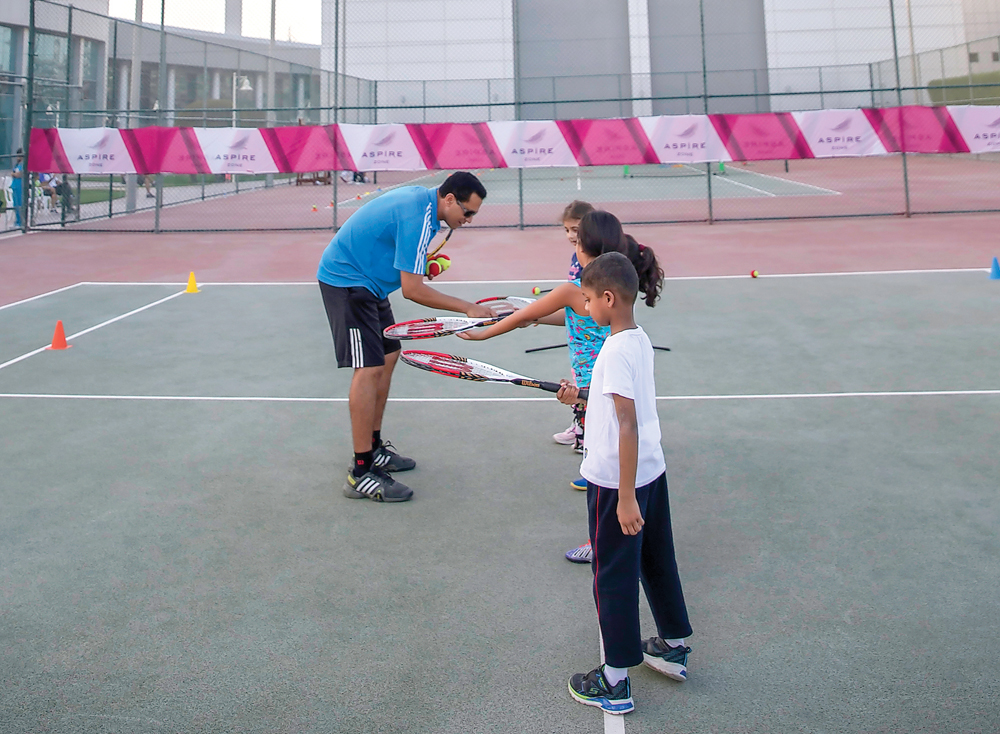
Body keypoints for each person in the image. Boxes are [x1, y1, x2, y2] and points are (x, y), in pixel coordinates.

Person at [460, 211, 665, 565]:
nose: (571, 240)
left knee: (602, 465)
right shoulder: (609, 289)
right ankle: (614, 526)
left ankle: (601, 539)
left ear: (583, 245)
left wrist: (481, 333)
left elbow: (526, 314)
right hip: (599, 384)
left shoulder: (575, 289)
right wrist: (536, 316)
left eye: (575, 236)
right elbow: (566, 313)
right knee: (607, 452)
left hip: (595, 383)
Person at [558, 251, 692, 716]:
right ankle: (672, 646)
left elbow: (626, 424)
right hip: (651, 470)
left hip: (619, 481)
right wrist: (581, 396)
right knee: (657, 559)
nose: (585, 307)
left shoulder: (612, 350)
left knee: (612, 574)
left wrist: (626, 498)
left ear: (608, 298)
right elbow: (619, 402)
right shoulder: (635, 338)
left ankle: (614, 680)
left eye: (589, 299)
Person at [318, 171, 492, 503]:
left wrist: (421, 262)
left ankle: (374, 445)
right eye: (467, 212)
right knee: (368, 369)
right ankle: (360, 472)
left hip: (370, 283)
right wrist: (468, 308)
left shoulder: (425, 207)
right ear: (450, 199)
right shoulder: (417, 215)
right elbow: (412, 290)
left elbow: (400, 256)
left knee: (388, 355)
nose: (468, 220)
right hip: (346, 282)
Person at [552, 200, 595, 449]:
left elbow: (581, 305)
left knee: (588, 391)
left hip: (591, 342)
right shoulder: (576, 257)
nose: (570, 235)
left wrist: (532, 315)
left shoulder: (594, 263)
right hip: (580, 343)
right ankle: (580, 426)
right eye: (567, 229)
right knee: (580, 388)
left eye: (576, 230)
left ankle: (588, 442)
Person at [10, 149, 23, 228]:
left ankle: (21, 222)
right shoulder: (17, 165)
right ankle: (17, 221)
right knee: (16, 204)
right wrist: (13, 174)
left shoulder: (23, 165)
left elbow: (19, 174)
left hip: (20, 185)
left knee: (20, 203)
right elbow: (14, 173)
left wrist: (14, 174)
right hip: (15, 185)